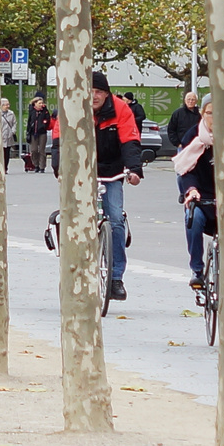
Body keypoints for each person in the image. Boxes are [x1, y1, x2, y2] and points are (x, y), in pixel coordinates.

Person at [90, 70, 144, 301]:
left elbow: (130, 141)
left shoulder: (121, 109)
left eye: (99, 91)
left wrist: (134, 170)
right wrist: (60, 168)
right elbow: (60, 139)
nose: (93, 96)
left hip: (112, 170)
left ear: (106, 94)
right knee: (73, 217)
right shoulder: (71, 105)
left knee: (115, 219)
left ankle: (115, 278)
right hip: (82, 171)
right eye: (89, 91)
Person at [173, 98, 216, 290]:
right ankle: (197, 270)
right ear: (203, 114)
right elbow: (185, 169)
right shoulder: (193, 136)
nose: (215, 118)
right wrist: (191, 191)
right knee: (193, 217)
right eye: (210, 113)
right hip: (203, 196)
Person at [24, 97, 50, 173]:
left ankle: (42, 166)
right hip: (33, 133)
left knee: (42, 150)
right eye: (39, 103)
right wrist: (28, 132)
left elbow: (48, 120)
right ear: (35, 104)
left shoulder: (45, 111)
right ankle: (36, 165)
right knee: (34, 150)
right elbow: (29, 122)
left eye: (42, 103)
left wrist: (43, 125)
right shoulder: (32, 111)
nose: (41, 105)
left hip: (42, 132)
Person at [0, 99, 18, 172]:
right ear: (1, 105)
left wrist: (13, 131)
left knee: (7, 153)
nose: (8, 106)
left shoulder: (11, 113)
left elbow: (14, 123)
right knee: (0, 153)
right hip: (0, 136)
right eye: (6, 105)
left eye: (8, 104)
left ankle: (5, 167)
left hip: (8, 136)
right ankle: (0, 167)